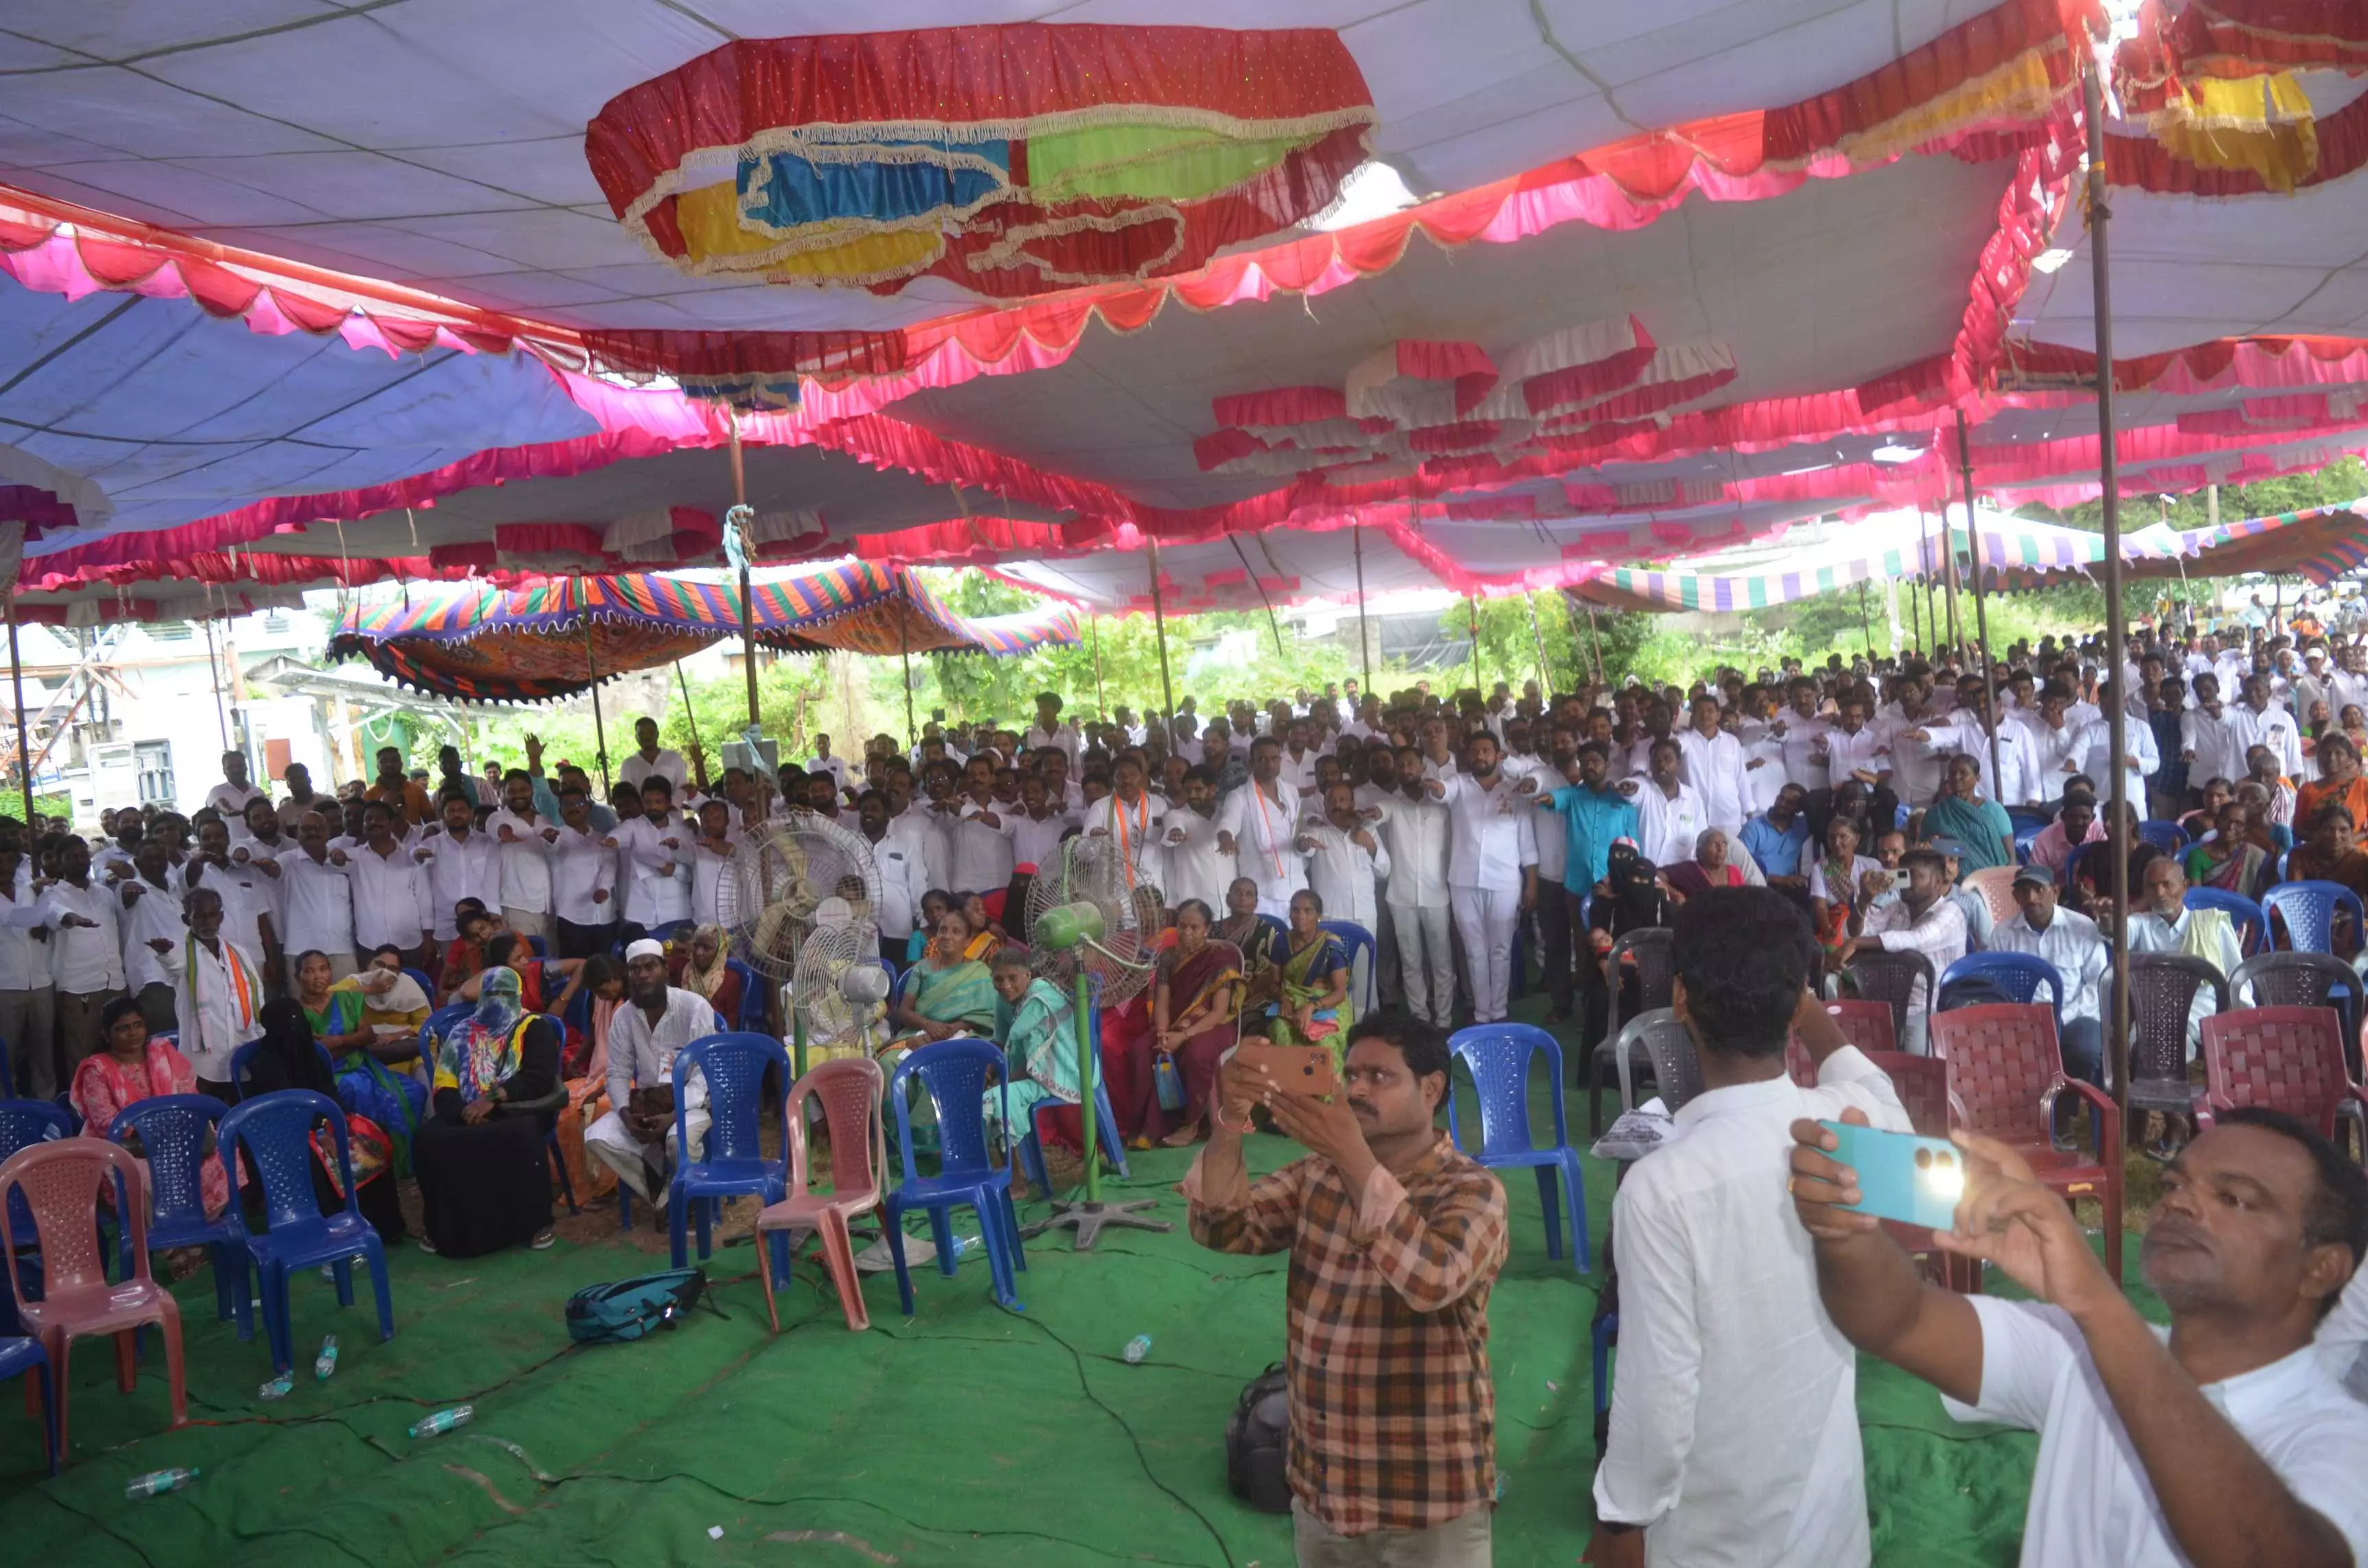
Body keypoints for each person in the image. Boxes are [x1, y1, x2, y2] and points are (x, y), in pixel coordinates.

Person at [1789, 1105, 2368, 1565]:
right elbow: (1897, 1320)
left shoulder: (2342, 1440)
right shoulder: (2080, 1353)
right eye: (2173, 1184)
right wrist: (1845, 1235)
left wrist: (2098, 1302)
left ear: (2321, 1268)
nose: (2181, 1202)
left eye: (2235, 1198)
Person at [1589, 889, 1909, 1568]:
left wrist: (1621, 1521)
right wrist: (1809, 1014)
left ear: (1679, 998)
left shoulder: (1660, 1186)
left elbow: (1657, 1390)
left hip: (1713, 1537)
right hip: (1829, 1525)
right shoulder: (1846, 1125)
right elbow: (1888, 1105)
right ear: (1796, 999)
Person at [1184, 1014, 1507, 1566]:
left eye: (1379, 1077)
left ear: (1430, 1089)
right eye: (1351, 1074)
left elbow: (1431, 1281)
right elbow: (1222, 1227)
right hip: (1324, 1491)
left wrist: (1352, 1155)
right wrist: (1228, 1121)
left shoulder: (1473, 1191)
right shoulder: (1319, 1175)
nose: (1357, 1089)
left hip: (1427, 1497)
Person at [413, 967, 558, 1256]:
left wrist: (493, 1099)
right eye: (492, 993)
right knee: (429, 1138)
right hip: (466, 1112)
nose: (499, 1000)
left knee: (522, 1135)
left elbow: (538, 1076)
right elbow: (444, 1084)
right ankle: (441, 1228)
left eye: (507, 994)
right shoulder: (462, 1032)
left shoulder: (532, 1026)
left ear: (518, 996)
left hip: (515, 1109)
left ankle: (533, 1225)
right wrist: (464, 1112)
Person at [586, 940, 719, 1213]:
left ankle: (682, 1198)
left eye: (649, 967)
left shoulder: (694, 1008)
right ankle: (663, 1196)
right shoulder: (624, 1016)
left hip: (692, 1103)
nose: (642, 974)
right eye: (635, 969)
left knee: (676, 1140)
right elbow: (618, 1072)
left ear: (665, 969)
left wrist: (673, 1117)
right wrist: (625, 1115)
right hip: (646, 1104)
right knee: (597, 1137)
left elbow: (706, 1076)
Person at [69, 995, 229, 1217]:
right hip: (128, 1146)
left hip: (175, 1137)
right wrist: (154, 1133)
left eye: (137, 1025)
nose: (133, 1033)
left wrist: (175, 1130)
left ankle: (200, 1227)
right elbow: (106, 1122)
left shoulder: (162, 1051)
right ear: (106, 1035)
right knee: (143, 1176)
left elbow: (188, 1095)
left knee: (224, 1154)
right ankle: (171, 1245)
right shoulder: (97, 1070)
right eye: (122, 1028)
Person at [1429, 730, 1537, 1026]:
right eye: (1475, 751)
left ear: (1497, 755)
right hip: (1463, 881)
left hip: (1504, 881)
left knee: (1500, 949)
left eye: (1486, 751)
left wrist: (1532, 882)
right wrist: (1436, 788)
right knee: (1474, 950)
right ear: (1468, 756)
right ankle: (1481, 1014)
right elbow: (1441, 792)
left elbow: (1527, 842)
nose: (1480, 756)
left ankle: (1499, 1011)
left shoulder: (1516, 791)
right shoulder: (1460, 784)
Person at [292, 947, 427, 1174]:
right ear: (298, 977)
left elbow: (369, 1035)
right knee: (358, 1090)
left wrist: (337, 1040)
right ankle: (370, 1166)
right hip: (328, 1076)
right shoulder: (296, 1012)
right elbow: (319, 1055)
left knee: (414, 1091)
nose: (318, 976)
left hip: (364, 1066)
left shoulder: (347, 998)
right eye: (310, 971)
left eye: (323, 969)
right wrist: (350, 1042)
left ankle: (401, 1163)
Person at [1987, 866, 2110, 1084]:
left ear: (2055, 891)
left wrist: (2063, 1016)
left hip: (2075, 1016)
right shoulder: (2003, 934)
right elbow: (1994, 985)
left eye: (2038, 889)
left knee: (2085, 1049)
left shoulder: (2082, 928)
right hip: (2023, 1018)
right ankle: (2033, 1106)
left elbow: (2097, 983)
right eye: (2024, 891)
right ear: (2015, 896)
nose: (2032, 898)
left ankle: (2064, 1103)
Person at [1846, 847, 1966, 1053]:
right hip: (1886, 1002)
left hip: (1928, 1007)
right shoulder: (1898, 907)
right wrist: (1864, 900)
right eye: (1903, 875)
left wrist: (1856, 945)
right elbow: (1857, 932)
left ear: (1937, 882)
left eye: (1915, 876)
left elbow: (1917, 939)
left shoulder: (1951, 913)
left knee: (1914, 1058)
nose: (1906, 882)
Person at [1152, 899, 1243, 1148]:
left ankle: (1193, 1125)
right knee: (1143, 1049)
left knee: (1196, 1052)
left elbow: (1218, 1012)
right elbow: (1162, 1001)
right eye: (1182, 926)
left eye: (1195, 927)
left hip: (1215, 1026)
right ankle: (1152, 1125)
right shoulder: (1168, 958)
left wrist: (1183, 1035)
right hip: (1175, 1024)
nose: (1187, 933)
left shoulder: (1221, 958)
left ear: (1207, 928)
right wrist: (1162, 1032)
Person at [985, 945, 1081, 1173]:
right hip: (1027, 1071)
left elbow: (1033, 1064)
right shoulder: (1003, 1000)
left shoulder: (1039, 998)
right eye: (998, 979)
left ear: (1028, 975)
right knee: (981, 1089)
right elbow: (1000, 1042)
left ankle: (1017, 1180)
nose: (1005, 986)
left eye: (1012, 978)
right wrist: (988, 1073)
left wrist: (1003, 1082)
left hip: (1061, 1069)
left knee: (997, 1099)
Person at [168, 884, 266, 1092]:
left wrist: (260, 1039)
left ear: (221, 917)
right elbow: (171, 964)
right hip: (203, 1061)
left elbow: (257, 999)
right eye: (200, 916)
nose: (208, 922)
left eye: (212, 915)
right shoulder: (182, 954)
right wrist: (164, 954)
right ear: (187, 920)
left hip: (243, 1049)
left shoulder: (239, 953)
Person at [884, 907, 999, 1055]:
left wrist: (951, 1030)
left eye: (956, 932)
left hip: (965, 1035)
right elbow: (904, 1011)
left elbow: (987, 1015)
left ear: (967, 942)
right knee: (889, 1061)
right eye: (943, 930)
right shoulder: (921, 968)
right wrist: (929, 1025)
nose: (947, 936)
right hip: (921, 1032)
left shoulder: (980, 972)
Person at [1257, 889, 1350, 1061]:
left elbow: (1339, 993)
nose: (1301, 916)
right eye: (1295, 910)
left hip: (1328, 1005)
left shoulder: (1331, 945)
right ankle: (1288, 1086)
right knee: (1280, 1032)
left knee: (1323, 1045)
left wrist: (1312, 1007)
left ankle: (1327, 1088)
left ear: (1319, 916)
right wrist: (1284, 998)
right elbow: (1274, 984)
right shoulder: (1281, 942)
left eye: (1308, 911)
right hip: (1292, 1002)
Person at [1919, 753, 2014, 873]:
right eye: (1953, 773)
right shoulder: (1935, 813)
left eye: (1963, 773)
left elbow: (2010, 857)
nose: (1957, 777)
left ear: (1977, 778)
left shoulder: (1994, 810)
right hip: (1948, 882)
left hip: (1989, 881)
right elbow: (1924, 850)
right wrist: (1942, 847)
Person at [669, 921, 744, 1025]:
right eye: (696, 946)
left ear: (720, 951)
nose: (699, 952)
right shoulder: (681, 967)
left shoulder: (730, 979)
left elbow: (731, 1024)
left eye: (707, 948)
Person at [1661, 826, 1743, 902]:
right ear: (1699, 851)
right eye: (1714, 844)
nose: (1721, 849)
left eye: (1724, 844)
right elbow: (1657, 876)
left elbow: (1744, 900)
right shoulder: (1689, 870)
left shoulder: (1734, 871)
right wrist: (1676, 895)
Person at [619, 716, 688, 794]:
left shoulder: (674, 758)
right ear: (636, 737)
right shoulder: (628, 765)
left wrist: (671, 805)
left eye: (651, 732)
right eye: (641, 734)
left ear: (657, 734)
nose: (646, 737)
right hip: (640, 806)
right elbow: (627, 794)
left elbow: (682, 788)